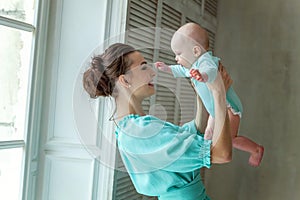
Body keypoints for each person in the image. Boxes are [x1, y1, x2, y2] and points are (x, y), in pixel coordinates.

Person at [82, 43, 232, 200]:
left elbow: (190, 136)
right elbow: (222, 154)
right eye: (143, 67)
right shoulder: (140, 132)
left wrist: (201, 91)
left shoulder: (133, 127)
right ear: (125, 80)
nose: (153, 73)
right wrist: (219, 93)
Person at [155, 22, 264, 167]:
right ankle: (203, 158)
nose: (176, 58)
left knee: (229, 139)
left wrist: (203, 76)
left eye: (179, 54)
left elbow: (212, 72)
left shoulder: (205, 62)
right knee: (208, 137)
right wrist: (167, 68)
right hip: (215, 110)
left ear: (195, 51)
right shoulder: (192, 66)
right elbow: (180, 70)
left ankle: (256, 149)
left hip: (229, 108)